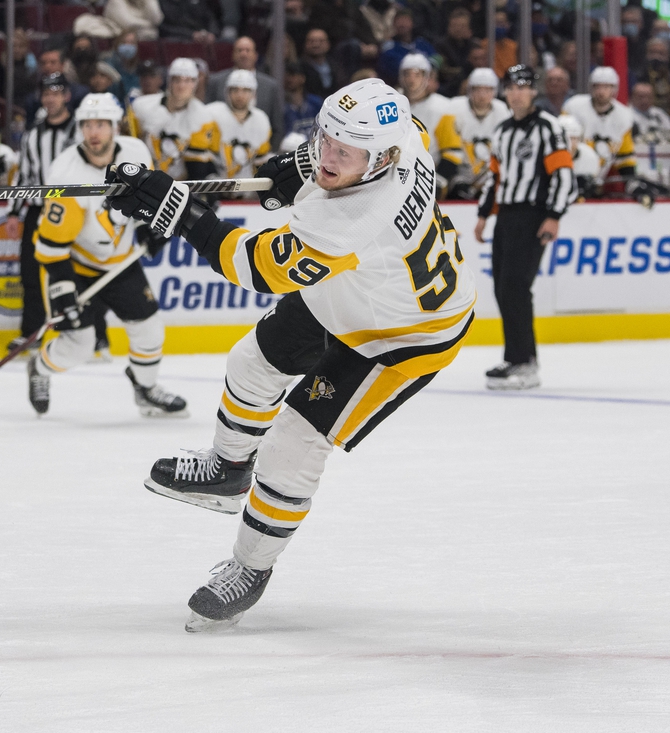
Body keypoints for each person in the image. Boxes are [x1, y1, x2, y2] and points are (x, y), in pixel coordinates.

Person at [103, 78, 476, 631]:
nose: (328, 155)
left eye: (343, 153)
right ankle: (229, 469)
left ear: (382, 158)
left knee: (294, 443)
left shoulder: (352, 222)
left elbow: (252, 266)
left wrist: (174, 211)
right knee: (250, 363)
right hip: (356, 290)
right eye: (323, 137)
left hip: (402, 336)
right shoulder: (406, 137)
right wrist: (303, 163)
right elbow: (384, 132)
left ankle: (250, 567)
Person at [27, 92, 186, 418]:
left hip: (120, 261)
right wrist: (62, 287)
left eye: (101, 124)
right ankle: (39, 368)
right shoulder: (65, 174)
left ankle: (145, 389)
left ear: (115, 127)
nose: (94, 132)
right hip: (75, 266)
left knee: (150, 329)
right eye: (87, 125)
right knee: (78, 345)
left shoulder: (135, 151)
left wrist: (153, 228)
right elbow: (53, 245)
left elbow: (149, 201)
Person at [473, 65, 575, 390]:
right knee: (503, 287)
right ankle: (514, 356)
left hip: (534, 215)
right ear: (505, 92)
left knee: (516, 286)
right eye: (512, 87)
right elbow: (495, 176)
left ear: (533, 92)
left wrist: (554, 215)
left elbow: (563, 175)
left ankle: (525, 362)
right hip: (507, 217)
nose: (517, 93)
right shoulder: (502, 131)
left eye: (523, 87)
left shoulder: (549, 128)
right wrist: (483, 214)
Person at [6, 73, 82, 352]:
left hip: (75, 209)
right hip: (38, 210)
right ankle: (31, 333)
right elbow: (24, 177)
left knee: (81, 271)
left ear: (66, 96)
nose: (50, 98)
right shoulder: (32, 134)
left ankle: (91, 333)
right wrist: (14, 213)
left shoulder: (81, 131)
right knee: (31, 273)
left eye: (56, 92)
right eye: (46, 93)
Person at [131, 57, 218, 180]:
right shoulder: (141, 106)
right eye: (177, 80)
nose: (182, 86)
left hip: (179, 184)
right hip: (144, 180)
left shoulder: (203, 117)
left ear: (195, 83)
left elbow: (196, 168)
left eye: (188, 80)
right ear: (169, 81)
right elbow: (132, 148)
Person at [398, 53, 462, 197]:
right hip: (393, 177)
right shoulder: (391, 103)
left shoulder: (444, 107)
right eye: (407, 74)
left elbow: (452, 152)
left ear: (427, 77)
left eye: (417, 74)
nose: (411, 79)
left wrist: (438, 181)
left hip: (428, 177)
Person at [206, 37, 285, 148]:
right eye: (239, 50)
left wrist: (269, 160)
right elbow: (205, 121)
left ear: (256, 55)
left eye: (248, 50)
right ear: (233, 54)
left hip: (259, 153)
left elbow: (277, 127)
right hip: (220, 151)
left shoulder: (270, 86)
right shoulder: (216, 81)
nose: (244, 54)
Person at [562, 66, 636, 181]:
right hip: (570, 175)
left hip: (596, 182)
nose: (601, 91)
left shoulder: (624, 116)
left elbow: (624, 158)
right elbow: (561, 145)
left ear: (614, 89)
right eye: (597, 86)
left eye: (606, 87)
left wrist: (632, 182)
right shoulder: (574, 107)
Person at [447, 67, 510, 196]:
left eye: (488, 90)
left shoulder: (502, 111)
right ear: (470, 90)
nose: (482, 95)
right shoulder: (454, 108)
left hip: (489, 174)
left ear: (495, 91)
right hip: (459, 173)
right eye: (478, 89)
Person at [206, 70, 272, 180]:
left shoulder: (261, 119)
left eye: (245, 90)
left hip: (249, 188)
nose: (240, 95)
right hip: (216, 186)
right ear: (227, 92)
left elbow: (261, 160)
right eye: (235, 90)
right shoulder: (212, 114)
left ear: (253, 93)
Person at [557, 114, 602, 199]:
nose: (570, 144)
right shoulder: (546, 155)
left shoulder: (589, 156)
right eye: (567, 138)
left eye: (574, 138)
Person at [301, 28, 346, 100]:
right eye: (311, 41)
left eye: (321, 41)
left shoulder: (336, 66)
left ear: (328, 44)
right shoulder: (300, 67)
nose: (316, 45)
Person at [282, 63, 322, 140]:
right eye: (287, 75)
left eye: (292, 75)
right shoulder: (282, 107)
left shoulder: (315, 103)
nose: (289, 79)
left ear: (302, 78)